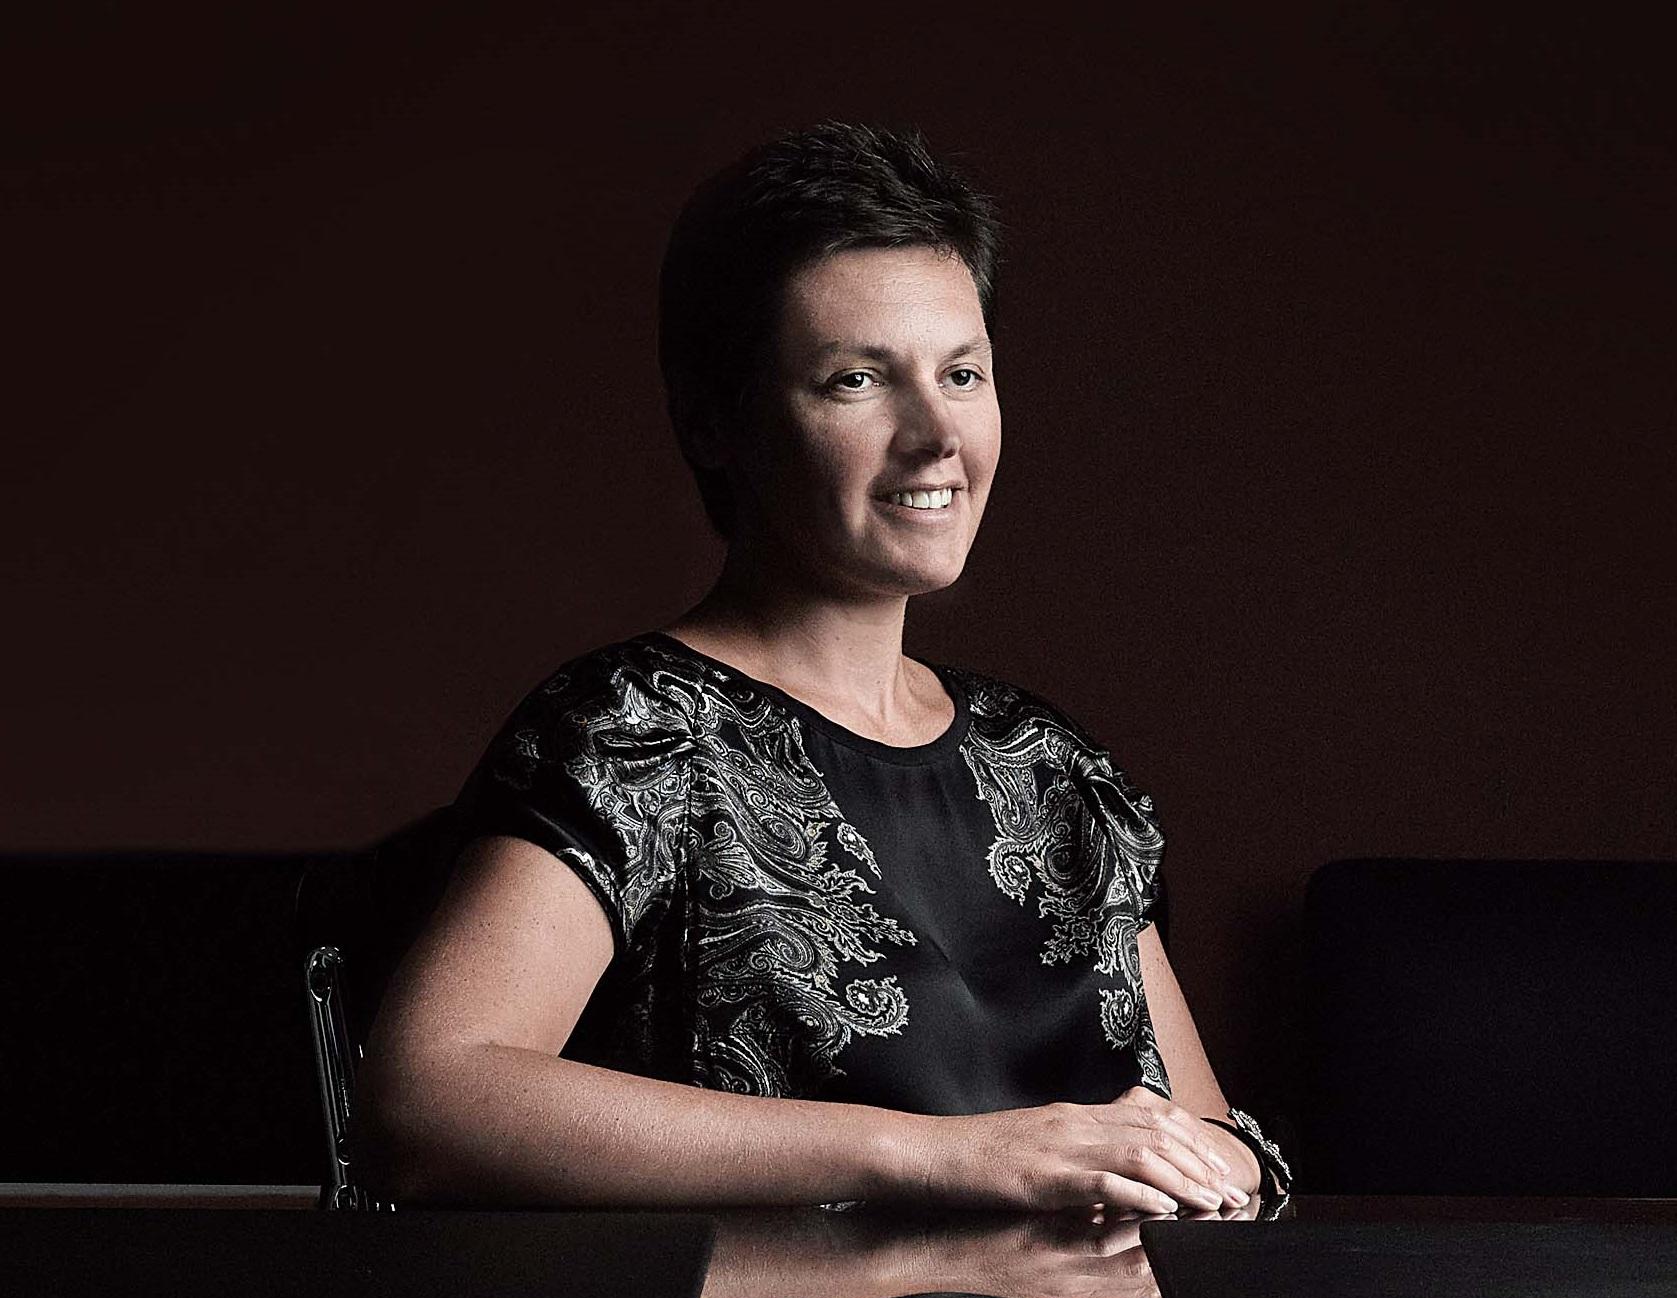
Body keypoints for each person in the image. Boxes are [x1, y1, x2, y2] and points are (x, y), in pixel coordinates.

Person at [354, 120, 1290, 1219]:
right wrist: (947, 1155)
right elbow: (428, 1100)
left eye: (962, 373)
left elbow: (1215, 1141)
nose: (936, 436)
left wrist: (1211, 1167)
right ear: (715, 423)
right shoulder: (635, 732)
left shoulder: (1052, 767)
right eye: (856, 380)